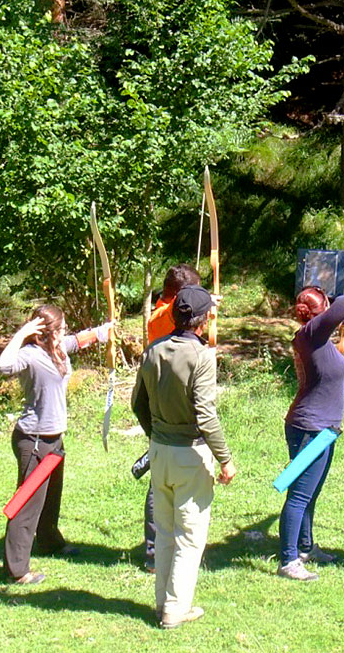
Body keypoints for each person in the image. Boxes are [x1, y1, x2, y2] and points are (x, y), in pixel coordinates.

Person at [132, 285, 236, 629]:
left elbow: (137, 403)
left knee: (164, 531)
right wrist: (225, 459)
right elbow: (206, 414)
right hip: (190, 453)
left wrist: (156, 435)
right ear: (203, 321)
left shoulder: (153, 350)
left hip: (160, 452)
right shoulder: (202, 356)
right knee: (190, 536)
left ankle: (164, 604)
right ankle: (175, 610)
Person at [0, 305, 112, 584]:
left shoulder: (55, 350)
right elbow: (3, 365)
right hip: (34, 441)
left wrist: (101, 333)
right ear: (47, 333)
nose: (64, 334)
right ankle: (16, 570)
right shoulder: (30, 356)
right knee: (25, 505)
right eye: (60, 330)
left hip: (53, 439)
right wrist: (22, 333)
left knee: (50, 497)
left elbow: (75, 341)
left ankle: (49, 542)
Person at [276, 286, 344, 581]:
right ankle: (288, 560)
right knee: (299, 495)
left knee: (311, 493)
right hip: (310, 429)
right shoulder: (311, 333)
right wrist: (341, 312)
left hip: (323, 428)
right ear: (322, 310)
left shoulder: (317, 338)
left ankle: (305, 547)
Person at [139, 263, 203, 573]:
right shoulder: (161, 314)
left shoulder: (175, 311)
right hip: (165, 406)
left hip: (181, 401)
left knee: (176, 477)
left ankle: (173, 543)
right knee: (160, 483)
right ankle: (154, 551)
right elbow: (165, 319)